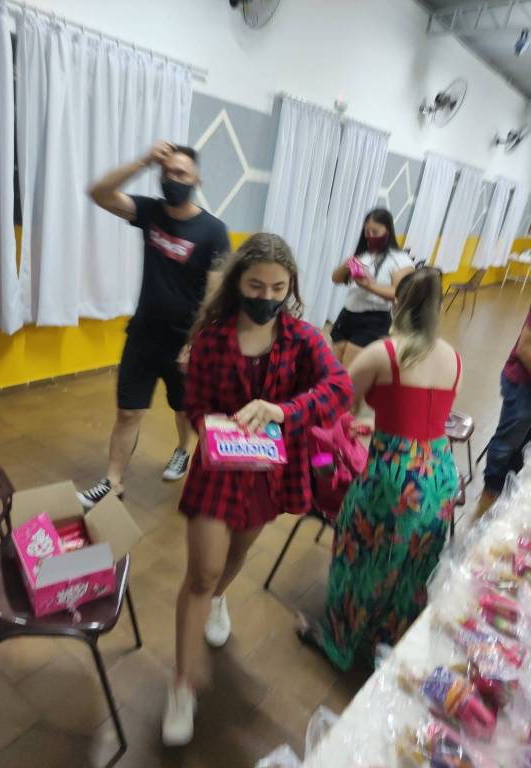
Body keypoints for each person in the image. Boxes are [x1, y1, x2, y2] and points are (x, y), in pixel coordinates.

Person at [162, 233, 353, 746]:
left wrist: (283, 411)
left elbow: (339, 389)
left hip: (268, 474)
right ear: (237, 283)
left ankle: (219, 599)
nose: (266, 297)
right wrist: (214, 431)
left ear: (290, 289)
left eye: (277, 288)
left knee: (235, 556)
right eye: (255, 286)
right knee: (200, 573)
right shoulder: (212, 339)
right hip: (217, 471)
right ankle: (182, 684)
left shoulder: (303, 338)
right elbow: (195, 405)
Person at [298, 267, 460, 670]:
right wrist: (384, 423)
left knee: (360, 554)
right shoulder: (453, 357)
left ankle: (338, 641)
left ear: (397, 302)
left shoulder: (382, 352)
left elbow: (338, 404)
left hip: (395, 479)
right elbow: (426, 419)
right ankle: (389, 643)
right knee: (413, 564)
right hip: (440, 473)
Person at [78, 142, 230, 508]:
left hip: (184, 343)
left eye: (181, 173)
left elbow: (215, 295)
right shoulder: (150, 212)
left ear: (197, 180)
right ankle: (113, 481)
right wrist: (144, 160)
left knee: (183, 408)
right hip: (143, 335)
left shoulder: (213, 231)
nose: (172, 179)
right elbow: (98, 192)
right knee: (128, 411)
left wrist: (197, 343)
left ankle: (182, 450)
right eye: (166, 172)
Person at [331, 208, 414, 367]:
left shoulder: (400, 260)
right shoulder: (363, 254)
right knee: (333, 367)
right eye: (367, 232)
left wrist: (370, 286)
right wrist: (347, 264)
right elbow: (335, 278)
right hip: (347, 315)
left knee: (350, 371)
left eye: (375, 232)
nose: (370, 236)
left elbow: (399, 293)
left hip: (373, 320)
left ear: (388, 231)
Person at [476, 307, 531, 518]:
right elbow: (525, 348)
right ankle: (489, 494)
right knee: (506, 445)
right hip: (523, 383)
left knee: (523, 448)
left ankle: (506, 494)